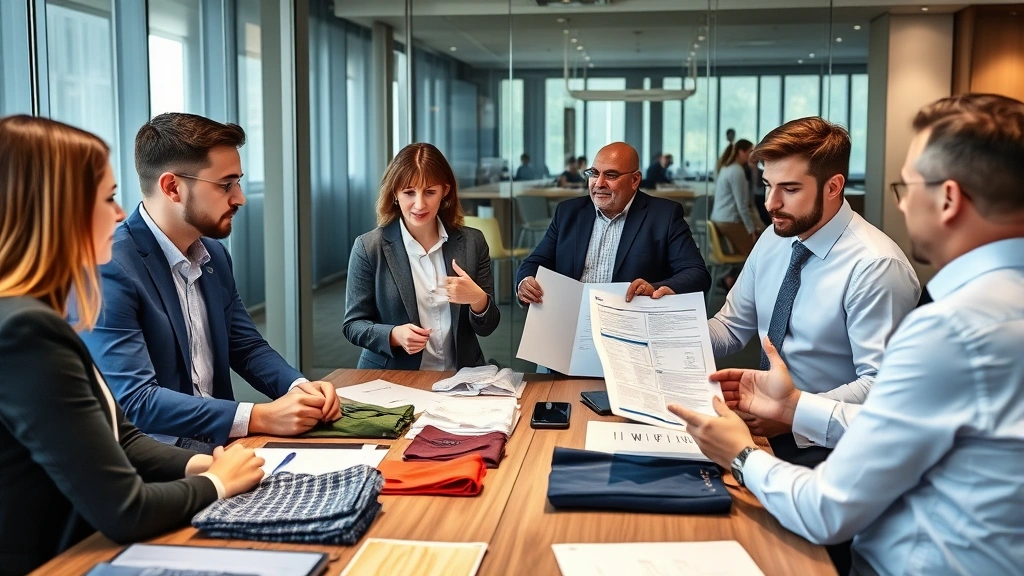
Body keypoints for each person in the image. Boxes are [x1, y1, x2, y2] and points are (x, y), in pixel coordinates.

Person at [670, 93, 1024, 576]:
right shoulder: (777, 241)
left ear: (947, 199)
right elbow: (903, 420)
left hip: (846, 495)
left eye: (907, 185)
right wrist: (665, 336)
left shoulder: (933, 312)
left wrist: (749, 448)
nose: (901, 201)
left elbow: (833, 501)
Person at [0, 115, 264, 575]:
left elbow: (120, 436)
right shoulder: (24, 331)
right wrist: (218, 483)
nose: (120, 214)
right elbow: (125, 510)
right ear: (57, 210)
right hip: (59, 560)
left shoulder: (38, 313)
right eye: (107, 198)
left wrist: (200, 464)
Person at [80, 113, 340, 450]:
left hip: (224, 444)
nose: (240, 198)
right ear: (172, 187)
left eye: (239, 182)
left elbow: (246, 348)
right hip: (158, 461)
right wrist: (258, 416)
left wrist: (299, 387)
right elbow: (138, 401)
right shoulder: (110, 266)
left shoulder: (214, 255)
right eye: (226, 184)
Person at [706, 117, 920, 467]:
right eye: (766, 185)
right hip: (757, 426)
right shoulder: (774, 239)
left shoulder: (876, 266)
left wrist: (793, 413)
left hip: (831, 451)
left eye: (789, 190)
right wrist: (662, 326)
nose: (770, 204)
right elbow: (731, 328)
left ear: (833, 187)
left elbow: (883, 387)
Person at [344, 143, 499, 370]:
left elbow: (488, 327)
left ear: (445, 191)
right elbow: (353, 325)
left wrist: (478, 299)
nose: (419, 204)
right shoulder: (369, 248)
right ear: (395, 193)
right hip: (392, 380)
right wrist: (393, 335)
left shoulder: (472, 243)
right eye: (409, 192)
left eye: (429, 192)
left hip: (461, 378)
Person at [516, 142, 710, 306]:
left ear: (635, 180)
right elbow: (535, 262)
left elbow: (697, 274)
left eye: (610, 175)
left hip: (629, 325)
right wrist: (526, 282)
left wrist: (656, 288)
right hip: (571, 321)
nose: (599, 183)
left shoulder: (664, 216)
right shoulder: (569, 213)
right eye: (594, 173)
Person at [711, 139, 759, 256]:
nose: (752, 155)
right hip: (729, 220)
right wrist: (751, 229)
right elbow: (742, 205)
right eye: (750, 151)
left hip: (719, 218)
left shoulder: (726, 168)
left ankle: (731, 275)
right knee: (754, 253)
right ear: (740, 152)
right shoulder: (737, 171)